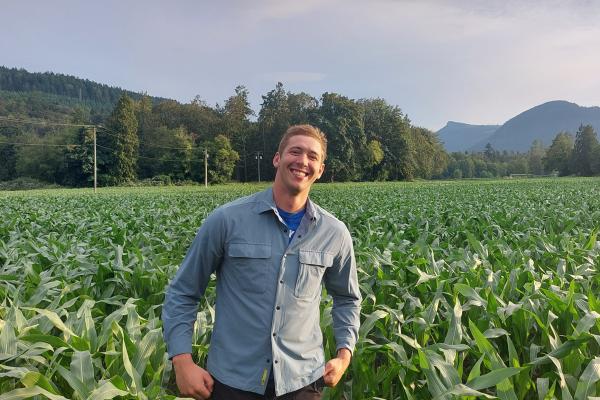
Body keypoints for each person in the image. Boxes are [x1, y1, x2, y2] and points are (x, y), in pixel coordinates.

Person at [162, 124, 361, 399]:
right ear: (277, 159)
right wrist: (182, 361)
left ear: (321, 170)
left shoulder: (334, 233)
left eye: (313, 157)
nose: (303, 161)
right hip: (233, 381)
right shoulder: (227, 220)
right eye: (295, 151)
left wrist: (344, 354)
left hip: (302, 381)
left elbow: (347, 298)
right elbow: (183, 291)